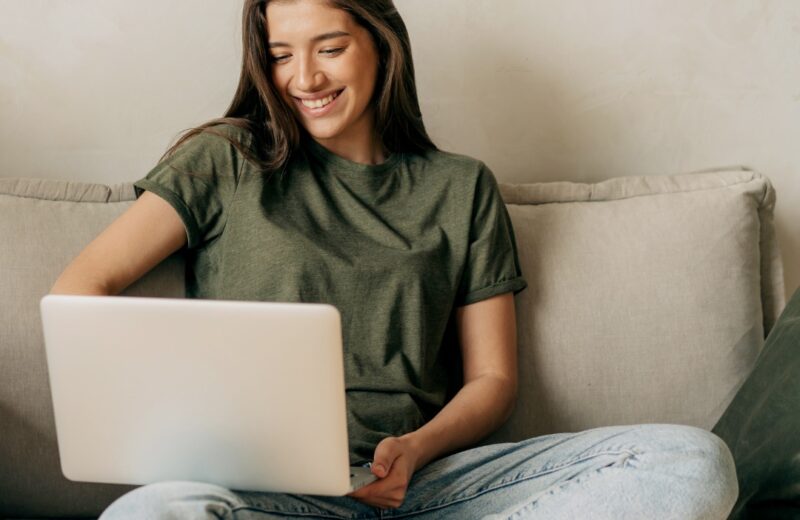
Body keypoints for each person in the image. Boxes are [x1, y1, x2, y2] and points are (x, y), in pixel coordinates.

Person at [51, 0, 739, 518]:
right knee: (150, 513)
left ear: (381, 44)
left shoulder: (461, 186)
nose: (304, 76)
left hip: (430, 489)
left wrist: (417, 449)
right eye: (281, 53)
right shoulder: (226, 161)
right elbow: (82, 288)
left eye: (329, 47)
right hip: (264, 493)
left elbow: (493, 380)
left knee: (691, 462)